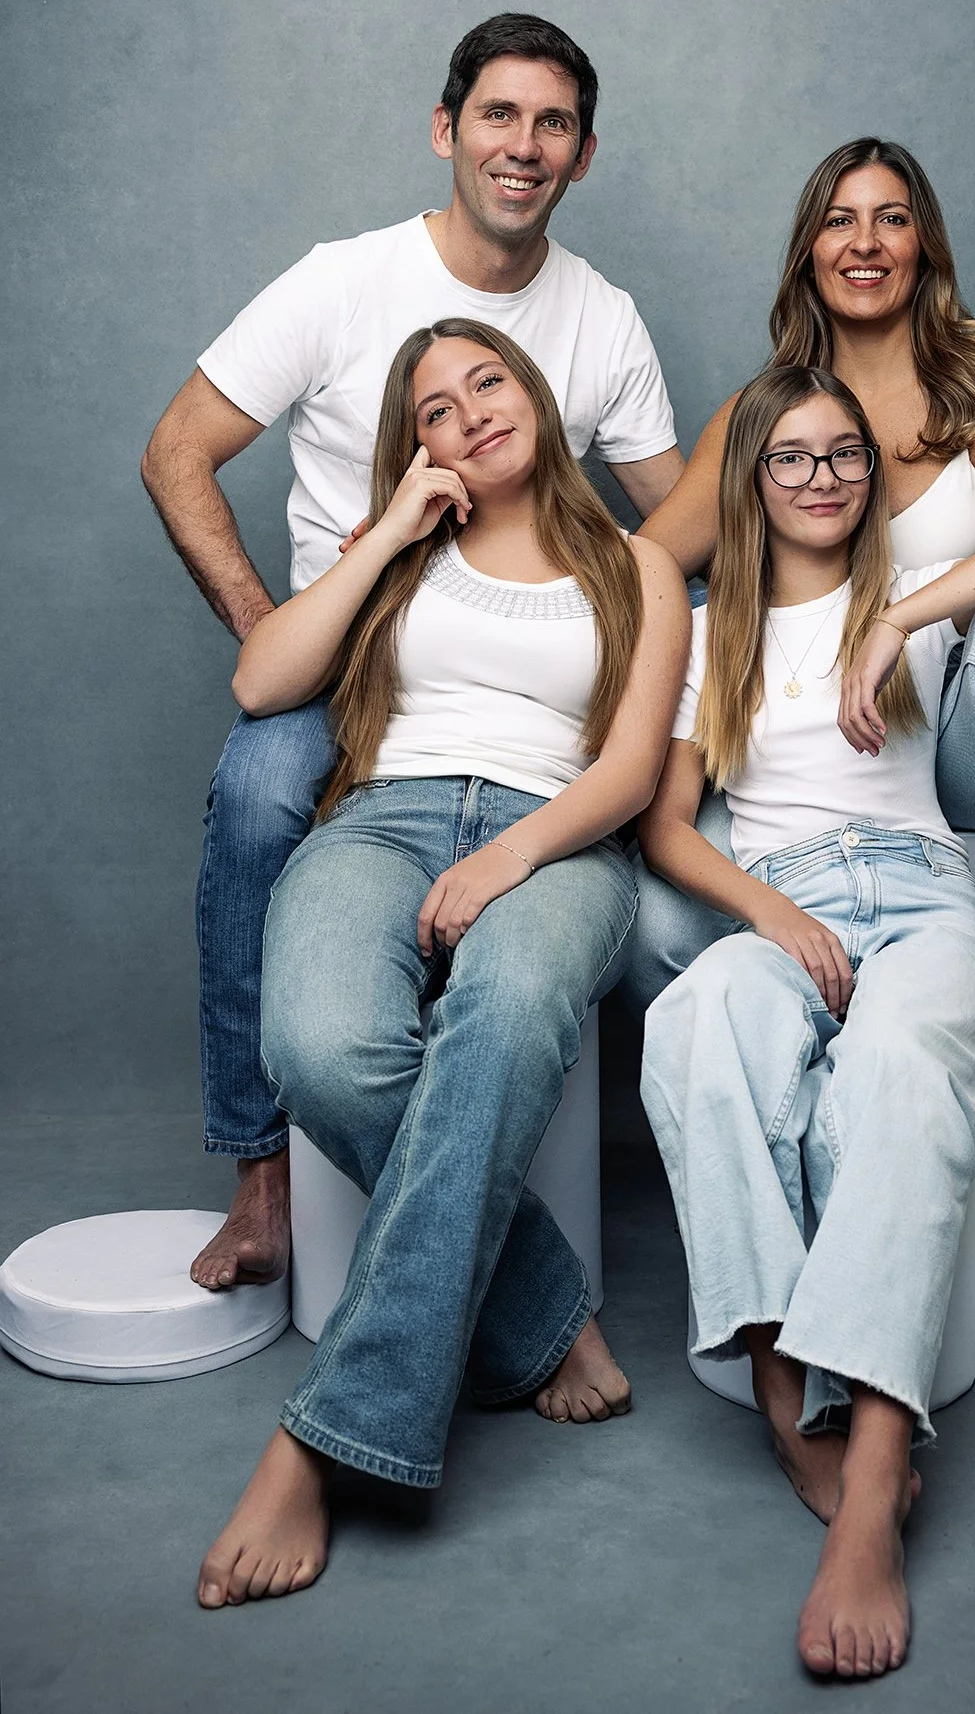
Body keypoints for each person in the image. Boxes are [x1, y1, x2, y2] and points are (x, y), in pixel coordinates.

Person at [140, 14, 685, 1291]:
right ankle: (260, 1173)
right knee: (263, 783)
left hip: (516, 699)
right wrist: (276, 626)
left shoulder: (601, 320)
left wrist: (857, 556)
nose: (523, 146)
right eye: (498, 116)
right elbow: (178, 451)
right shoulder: (343, 281)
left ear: (583, 155)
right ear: (447, 131)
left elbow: (683, 515)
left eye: (552, 124)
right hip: (353, 645)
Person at [197, 319, 689, 1607]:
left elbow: (633, 772)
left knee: (511, 1006)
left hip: (563, 837)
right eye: (431, 410)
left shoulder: (636, 566)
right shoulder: (401, 552)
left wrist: (511, 855)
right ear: (413, 447)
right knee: (319, 1046)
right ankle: (542, 1312)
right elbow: (263, 685)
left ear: (534, 395)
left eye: (487, 382)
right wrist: (391, 532)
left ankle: (326, 1436)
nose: (467, 413)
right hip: (387, 817)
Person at [638, 364, 975, 1676]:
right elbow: (668, 826)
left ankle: (881, 1452)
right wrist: (770, 920)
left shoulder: (910, 597)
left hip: (920, 897)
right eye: (793, 457)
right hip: (780, 901)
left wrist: (904, 624)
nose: (825, 475)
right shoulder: (713, 626)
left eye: (846, 454)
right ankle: (786, 1379)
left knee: (901, 1065)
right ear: (754, 482)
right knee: (693, 1024)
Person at [639, 137, 975, 1163]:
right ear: (806, 253)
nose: (864, 243)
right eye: (838, 219)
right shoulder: (764, 416)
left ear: (925, 246)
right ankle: (802, 1090)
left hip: (960, 735)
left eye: (891, 218)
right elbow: (650, 566)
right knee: (656, 904)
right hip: (810, 761)